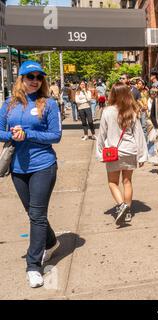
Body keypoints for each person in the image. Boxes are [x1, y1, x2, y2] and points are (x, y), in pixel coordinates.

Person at [0, 60, 62, 288]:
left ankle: (33, 265)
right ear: (21, 79)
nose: (35, 81)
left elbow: (55, 136)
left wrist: (28, 134)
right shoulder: (9, 104)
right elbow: (0, 131)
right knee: (33, 213)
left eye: (39, 77)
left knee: (37, 215)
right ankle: (52, 241)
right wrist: (11, 135)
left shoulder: (49, 104)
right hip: (17, 167)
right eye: (30, 77)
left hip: (43, 165)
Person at [96, 82, 148, 226]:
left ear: (113, 94)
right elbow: (139, 134)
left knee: (113, 182)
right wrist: (142, 155)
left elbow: (102, 134)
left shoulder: (107, 111)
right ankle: (128, 212)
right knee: (127, 182)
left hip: (113, 153)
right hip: (130, 150)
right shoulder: (131, 111)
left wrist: (99, 152)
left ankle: (122, 205)